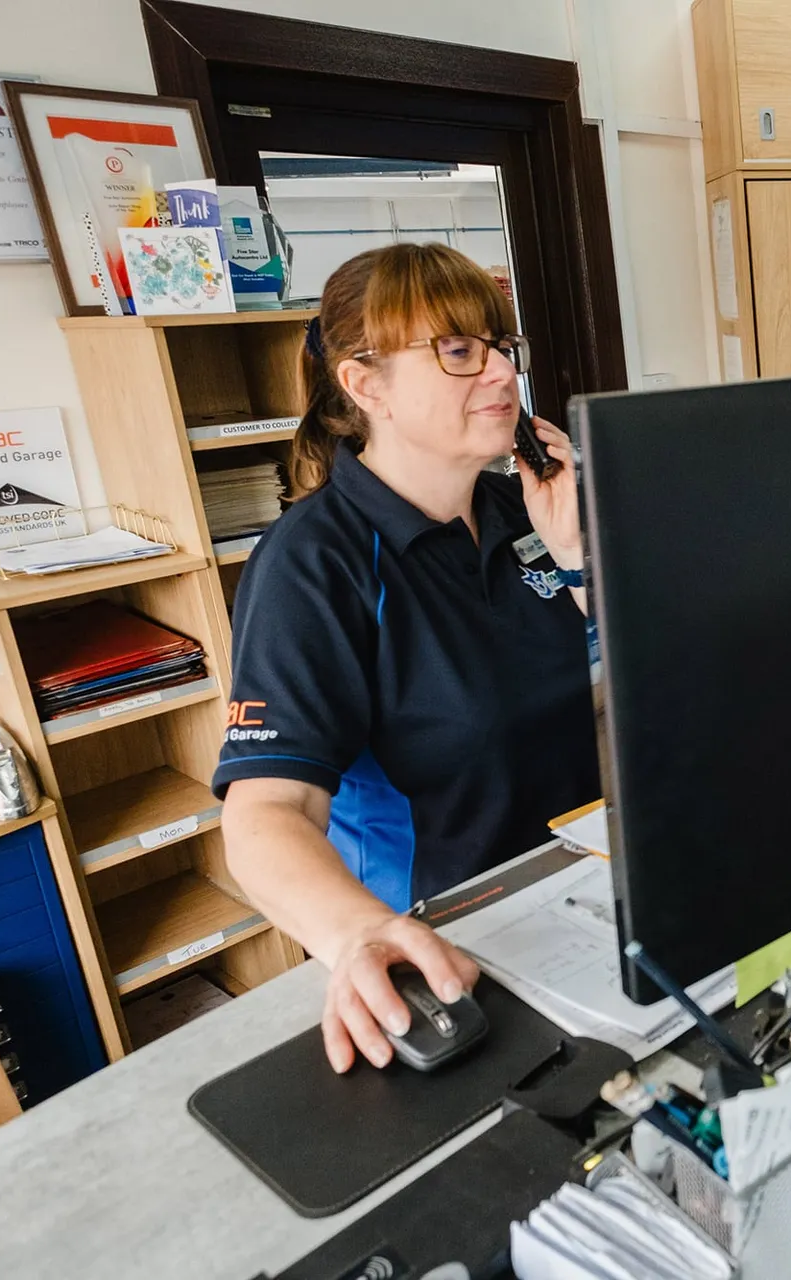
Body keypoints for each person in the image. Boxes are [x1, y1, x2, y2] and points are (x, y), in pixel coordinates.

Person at [213, 243, 601, 1072]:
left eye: (502, 346)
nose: (502, 373)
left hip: (584, 900)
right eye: (460, 351)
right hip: (445, 942)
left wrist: (577, 562)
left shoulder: (524, 503)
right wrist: (356, 932)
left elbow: (611, 695)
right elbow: (263, 816)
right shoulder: (313, 564)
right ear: (366, 384)